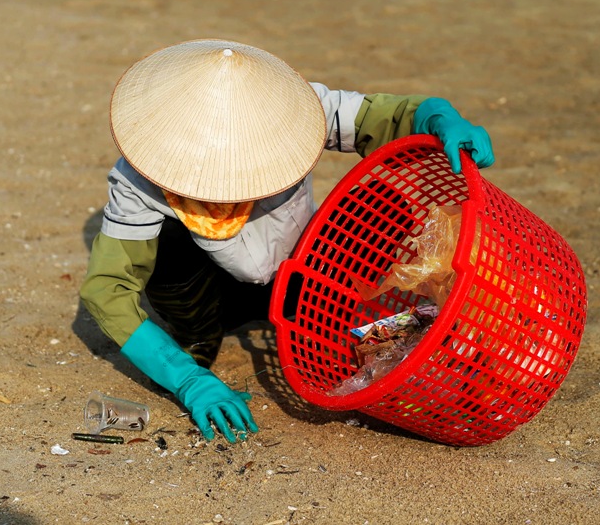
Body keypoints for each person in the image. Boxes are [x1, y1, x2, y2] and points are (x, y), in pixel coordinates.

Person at [79, 39, 494, 443]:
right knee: (164, 244)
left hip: (302, 275)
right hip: (210, 293)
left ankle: (329, 323)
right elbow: (108, 290)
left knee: (385, 203)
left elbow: (385, 117)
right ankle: (197, 338)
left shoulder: (298, 108)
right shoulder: (138, 177)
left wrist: (438, 118)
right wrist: (186, 378)